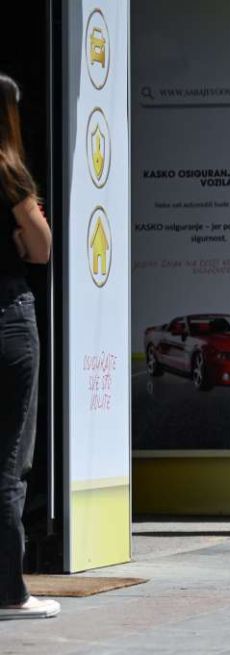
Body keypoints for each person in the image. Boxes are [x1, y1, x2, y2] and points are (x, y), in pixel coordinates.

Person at [0, 73, 59, 620]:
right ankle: (10, 592)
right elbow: (40, 248)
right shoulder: (8, 171)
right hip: (7, 317)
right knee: (10, 459)